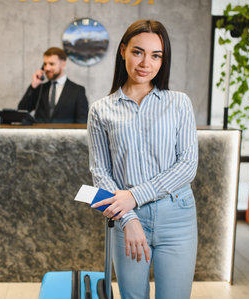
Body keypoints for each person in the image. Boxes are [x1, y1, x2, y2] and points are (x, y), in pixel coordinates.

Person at [87, 20, 198, 299]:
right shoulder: (101, 110)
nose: (146, 63)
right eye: (138, 52)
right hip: (127, 220)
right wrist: (129, 218)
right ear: (123, 50)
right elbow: (100, 173)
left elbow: (187, 166)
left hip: (177, 217)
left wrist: (133, 196)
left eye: (156, 55)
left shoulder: (179, 103)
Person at [18, 47, 89, 123]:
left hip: (65, 134)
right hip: (40, 134)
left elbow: (82, 122)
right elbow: (22, 110)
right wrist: (33, 86)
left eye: (51, 64)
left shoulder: (77, 91)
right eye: (45, 64)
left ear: (63, 64)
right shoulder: (40, 88)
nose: (47, 68)